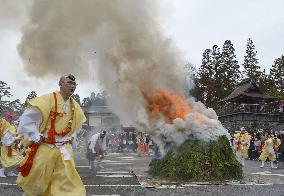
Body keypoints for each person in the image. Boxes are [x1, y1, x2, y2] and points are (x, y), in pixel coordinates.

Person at [16, 74, 86, 196]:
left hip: (64, 150)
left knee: (68, 182)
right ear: (60, 84)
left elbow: (76, 126)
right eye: (69, 83)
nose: (72, 86)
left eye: (74, 84)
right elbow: (27, 119)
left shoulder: (75, 106)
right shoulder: (47, 100)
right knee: (38, 181)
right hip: (46, 146)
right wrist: (36, 135)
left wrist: (72, 137)